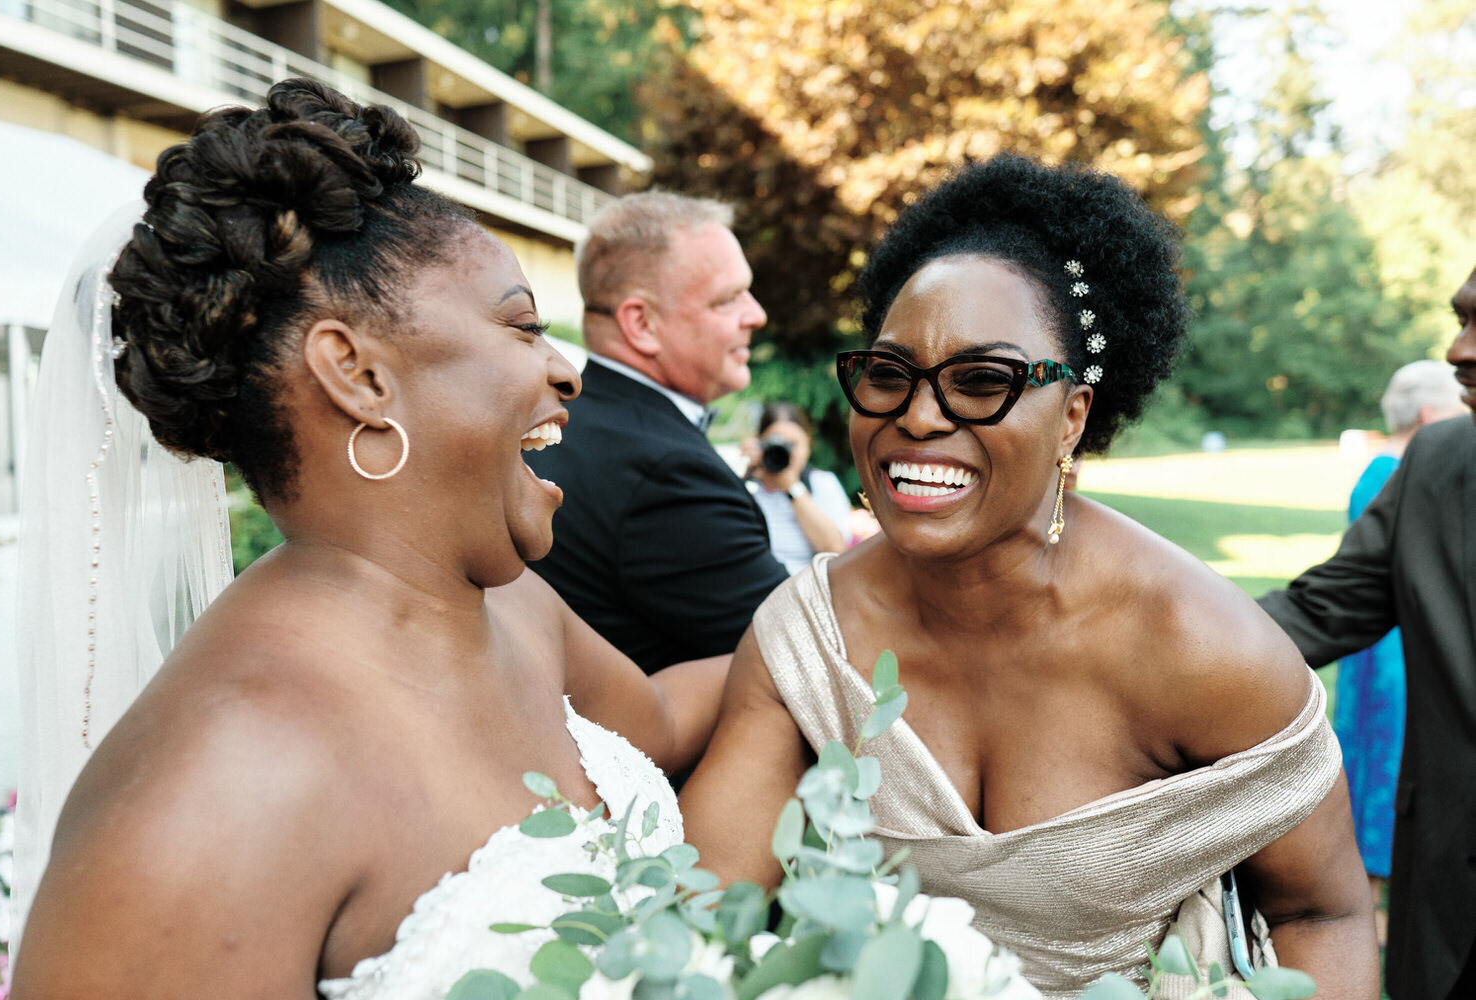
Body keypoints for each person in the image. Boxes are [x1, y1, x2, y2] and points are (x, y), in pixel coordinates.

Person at [11, 80, 721, 999]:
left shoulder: (510, 605)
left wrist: (853, 606)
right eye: (520, 325)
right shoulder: (218, 783)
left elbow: (665, 720)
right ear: (358, 375)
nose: (564, 371)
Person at [680, 155, 1378, 997]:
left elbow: (1320, 915)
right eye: (890, 374)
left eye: (983, 381)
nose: (919, 415)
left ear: (1072, 417)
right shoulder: (807, 642)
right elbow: (702, 924)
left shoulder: (1202, 648)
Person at [1259, 268, 1476, 1000]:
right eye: (1459, 320)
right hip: (1448, 913)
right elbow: (1315, 612)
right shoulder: (1437, 465)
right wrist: (1108, 637)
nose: (1458, 350)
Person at [525, 192, 788, 673]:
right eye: (728, 298)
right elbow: (800, 656)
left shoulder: (565, 425)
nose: (756, 314)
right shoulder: (665, 472)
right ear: (641, 324)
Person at [1331, 359, 1463, 941]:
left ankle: (1369, 892)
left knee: (1366, 749)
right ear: (1432, 415)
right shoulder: (1400, 474)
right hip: (1392, 649)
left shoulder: (1374, 470)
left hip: (1371, 651)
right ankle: (1378, 900)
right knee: (1389, 754)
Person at [743, 401, 853, 574]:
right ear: (759, 444)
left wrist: (792, 488)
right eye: (774, 443)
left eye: (792, 444)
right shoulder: (747, 486)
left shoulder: (822, 483)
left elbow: (835, 549)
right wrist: (741, 469)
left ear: (807, 443)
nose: (784, 452)